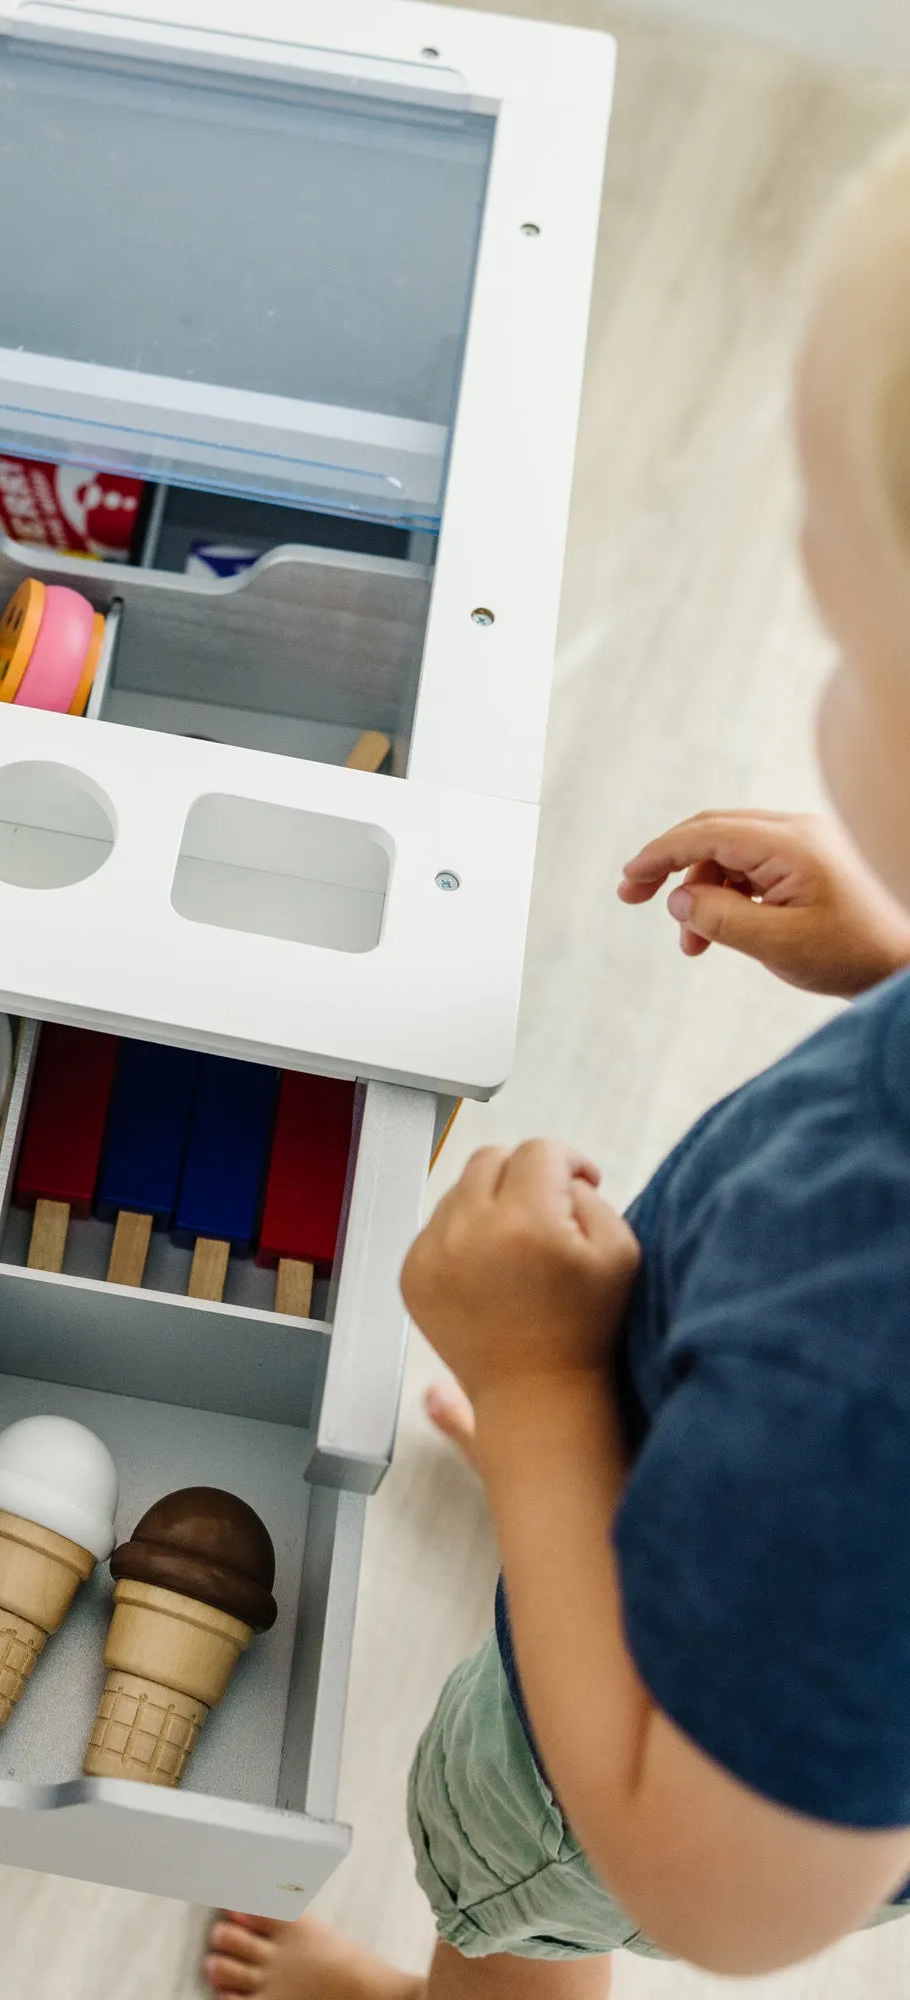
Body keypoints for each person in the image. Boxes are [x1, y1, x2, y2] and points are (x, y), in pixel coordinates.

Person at [205, 127, 910, 1999]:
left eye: (843, 649)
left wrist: (541, 1401)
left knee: (509, 1900)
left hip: (623, 1767)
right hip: (759, 1559)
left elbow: (718, 1891)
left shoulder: (865, 1386)